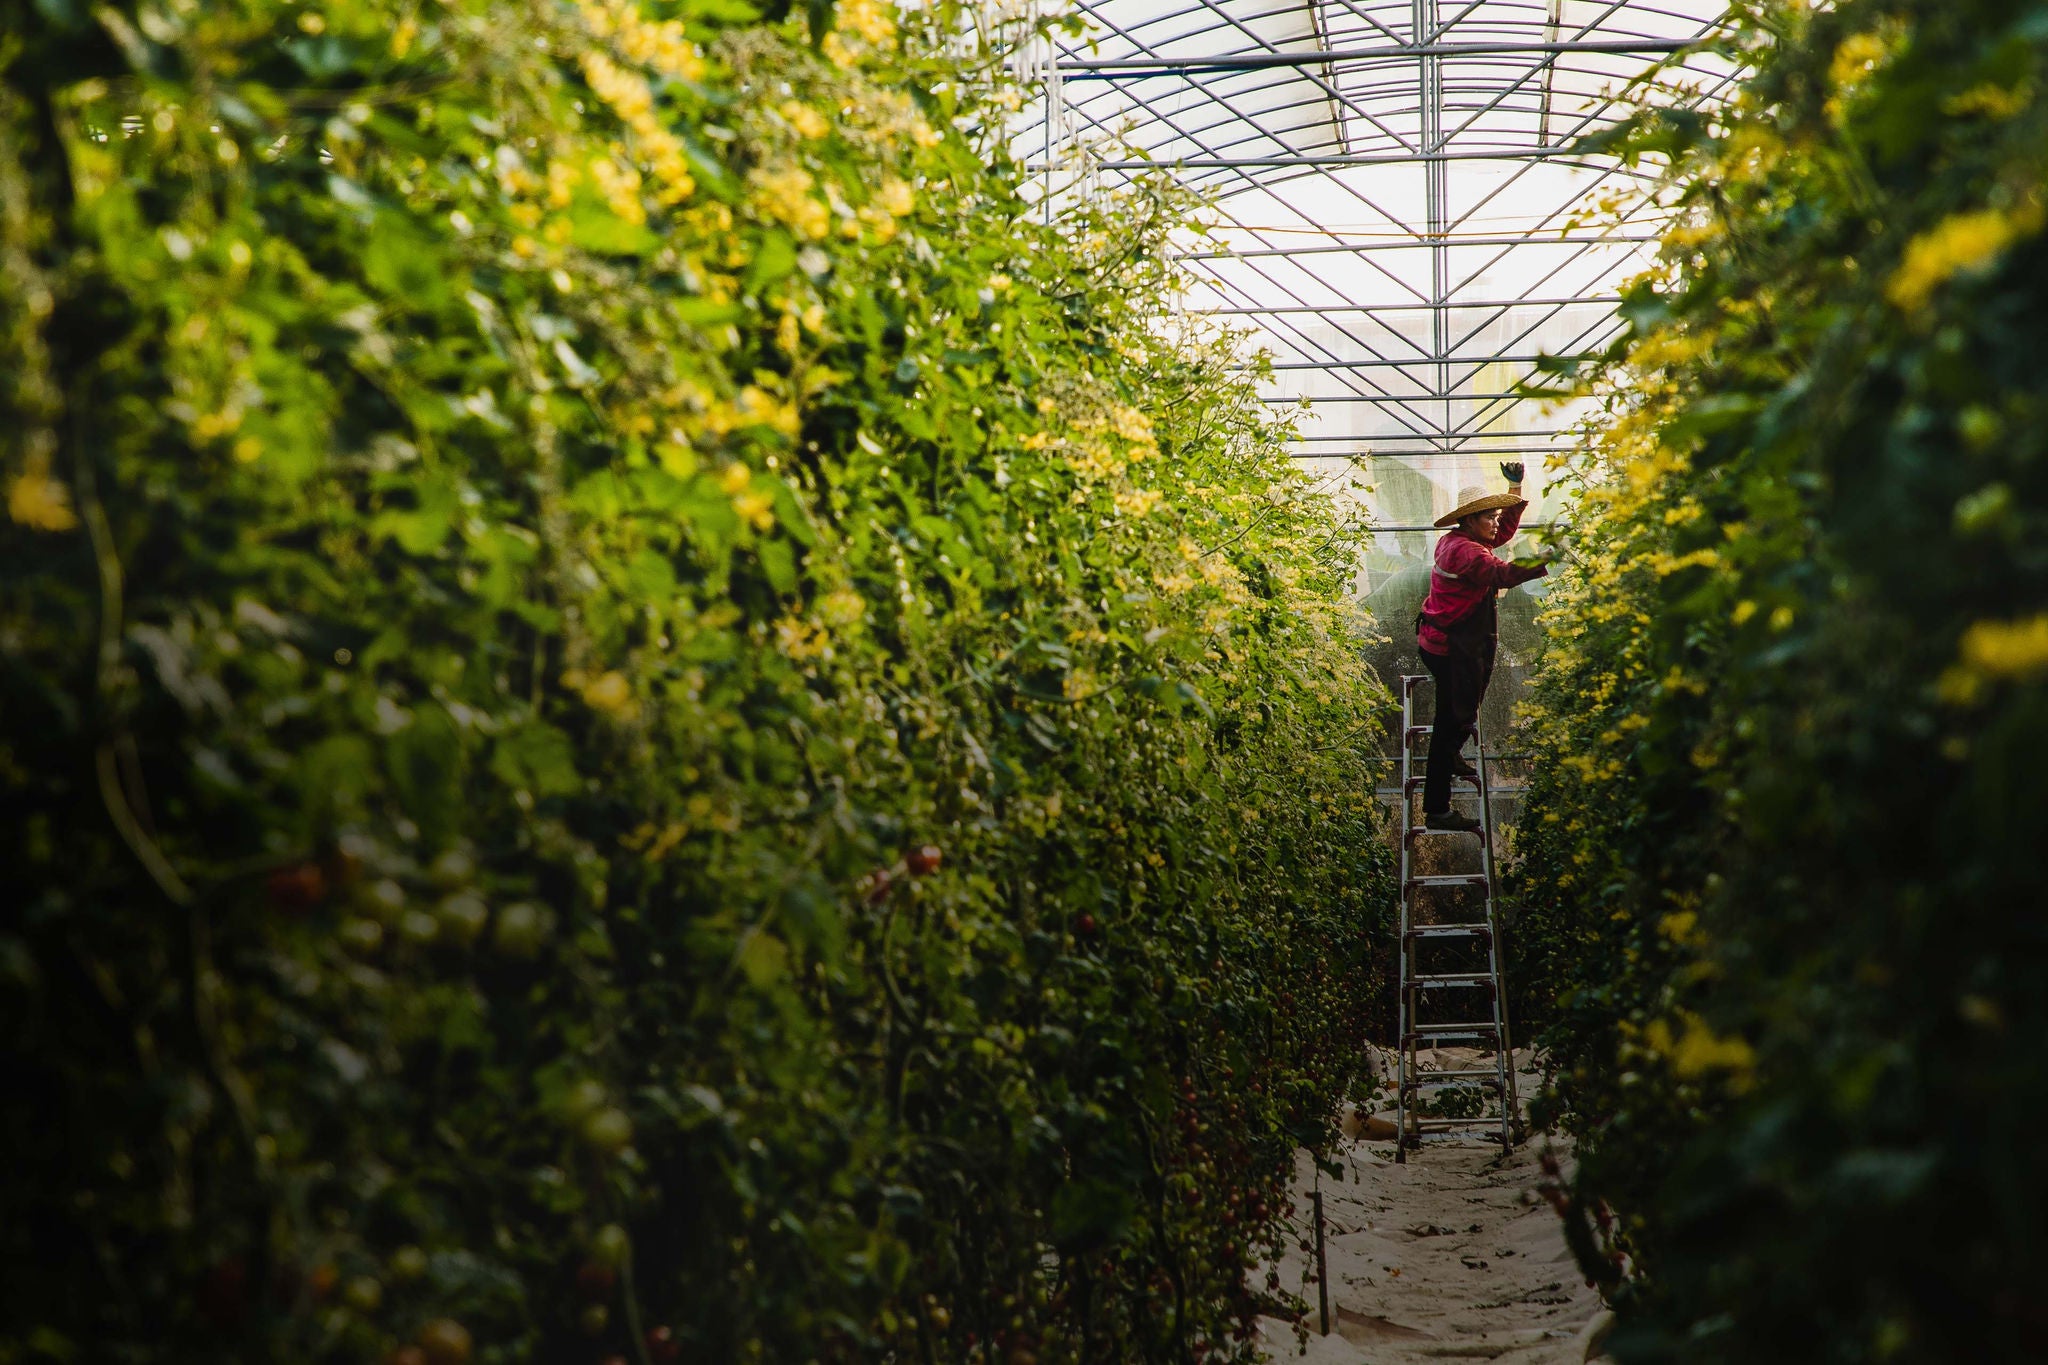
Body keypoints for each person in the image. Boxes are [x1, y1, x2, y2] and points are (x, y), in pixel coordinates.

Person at [1414, 463, 1549, 833]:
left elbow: (1502, 533)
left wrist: (1514, 487)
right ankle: (1438, 809)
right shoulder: (1467, 554)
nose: (1496, 522)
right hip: (1448, 647)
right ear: (1471, 520)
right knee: (1449, 723)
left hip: (1445, 643)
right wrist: (1542, 560)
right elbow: (1501, 573)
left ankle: (1453, 754)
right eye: (1489, 516)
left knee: (1461, 710)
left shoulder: (1465, 540)